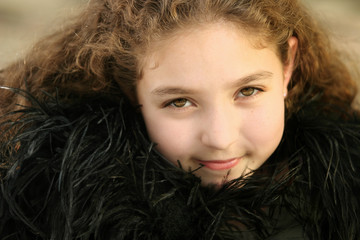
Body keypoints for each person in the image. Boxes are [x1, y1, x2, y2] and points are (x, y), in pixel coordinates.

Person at [0, 0, 359, 239]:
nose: (220, 138)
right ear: (131, 92)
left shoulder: (344, 194)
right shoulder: (56, 213)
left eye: (248, 91)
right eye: (180, 101)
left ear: (287, 67)